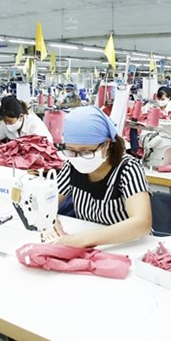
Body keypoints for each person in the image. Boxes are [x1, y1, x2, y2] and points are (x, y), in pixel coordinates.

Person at [50, 106, 152, 248]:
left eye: (86, 152)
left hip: (130, 246)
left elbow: (142, 223)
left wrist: (84, 239)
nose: (78, 158)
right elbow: (48, 202)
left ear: (106, 144)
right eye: (71, 151)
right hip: (94, 244)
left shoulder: (128, 169)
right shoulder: (72, 166)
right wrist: (50, 218)